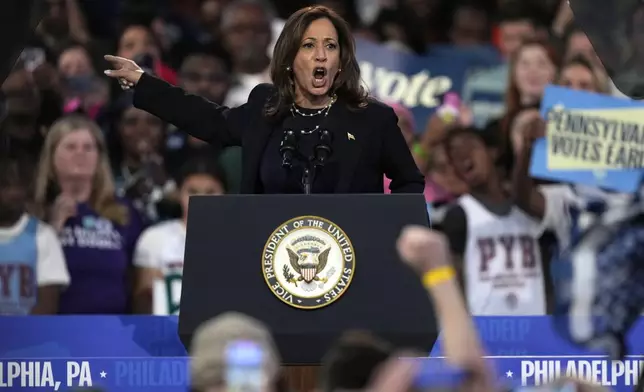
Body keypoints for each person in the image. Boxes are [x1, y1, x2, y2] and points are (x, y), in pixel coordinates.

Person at [103, 5, 424, 195]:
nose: (321, 55)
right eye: (309, 45)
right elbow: (209, 120)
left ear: (342, 59)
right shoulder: (265, 108)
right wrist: (145, 83)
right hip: (271, 262)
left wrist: (386, 237)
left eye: (331, 46)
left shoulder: (372, 119)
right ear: (288, 58)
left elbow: (409, 182)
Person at [32, 114, 144, 314]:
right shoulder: (36, 212)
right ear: (51, 156)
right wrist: (52, 229)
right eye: (71, 147)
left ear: (98, 157)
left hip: (114, 327)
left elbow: (136, 279)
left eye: (88, 147)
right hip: (54, 328)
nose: (80, 153)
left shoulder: (124, 212)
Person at [439, 127, 547, 316]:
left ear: (493, 152)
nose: (463, 155)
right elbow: (454, 282)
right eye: (455, 154)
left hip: (534, 326)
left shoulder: (530, 208)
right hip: (485, 331)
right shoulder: (459, 215)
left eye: (469, 146)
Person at [133, 156, 226, 314]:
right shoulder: (154, 238)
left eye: (211, 192)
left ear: (225, 194)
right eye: (192, 191)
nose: (201, 199)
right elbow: (141, 306)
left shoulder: (239, 239)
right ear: (178, 194)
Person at [0, 158, 70, 314]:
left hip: (27, 335)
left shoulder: (43, 236)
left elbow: (46, 308)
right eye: (4, 185)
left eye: (16, 185)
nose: (11, 193)